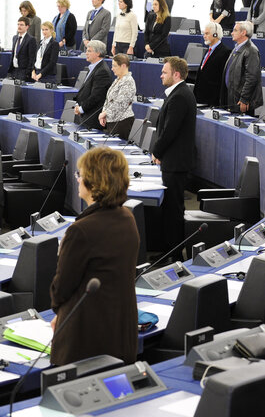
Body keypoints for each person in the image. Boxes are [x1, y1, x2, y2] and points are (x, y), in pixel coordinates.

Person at [49, 147, 138, 366]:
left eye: (80, 175)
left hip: (85, 338)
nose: (78, 180)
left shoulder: (81, 230)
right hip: (120, 331)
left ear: (93, 183)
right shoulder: (127, 218)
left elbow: (61, 288)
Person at [151, 57, 196, 260]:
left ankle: (176, 255)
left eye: (164, 72)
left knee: (174, 210)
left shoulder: (179, 96)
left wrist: (157, 152)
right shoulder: (178, 93)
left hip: (176, 162)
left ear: (176, 74)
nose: (161, 75)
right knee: (170, 208)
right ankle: (169, 250)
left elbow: (170, 131)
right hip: (174, 160)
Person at [221, 21, 263, 116]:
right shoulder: (236, 48)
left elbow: (252, 78)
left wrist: (244, 99)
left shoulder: (251, 50)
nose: (232, 33)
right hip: (232, 98)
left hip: (241, 102)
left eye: (235, 30)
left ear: (243, 33)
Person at [74, 40, 112, 130]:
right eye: (86, 50)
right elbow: (84, 90)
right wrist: (77, 104)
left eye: (89, 51)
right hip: (85, 115)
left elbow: (96, 96)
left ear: (98, 53)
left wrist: (81, 109)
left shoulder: (102, 71)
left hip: (92, 118)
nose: (86, 53)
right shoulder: (91, 68)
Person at [98, 54, 136, 140]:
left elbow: (120, 103)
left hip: (122, 122)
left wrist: (105, 113)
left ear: (123, 66)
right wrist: (104, 112)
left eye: (114, 66)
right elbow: (108, 99)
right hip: (111, 121)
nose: (112, 68)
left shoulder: (128, 81)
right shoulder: (117, 80)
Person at [194, 22, 230, 107]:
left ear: (215, 34)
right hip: (200, 97)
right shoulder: (208, 51)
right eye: (204, 33)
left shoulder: (225, 52)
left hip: (212, 100)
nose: (204, 36)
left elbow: (222, 79)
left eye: (207, 33)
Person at [7, 16, 38, 81]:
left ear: (27, 27)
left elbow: (32, 58)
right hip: (14, 70)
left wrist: (27, 73)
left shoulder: (31, 39)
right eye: (18, 24)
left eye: (21, 25)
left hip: (24, 72)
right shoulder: (15, 38)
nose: (19, 26)